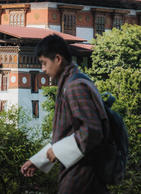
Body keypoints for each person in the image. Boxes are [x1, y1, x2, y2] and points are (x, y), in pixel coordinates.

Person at [21, 34, 109, 193]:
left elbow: (93, 130)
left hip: (82, 174)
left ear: (58, 59)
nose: (43, 69)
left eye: (44, 63)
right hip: (82, 172)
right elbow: (69, 133)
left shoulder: (75, 86)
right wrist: (39, 160)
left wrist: (58, 151)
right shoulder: (74, 82)